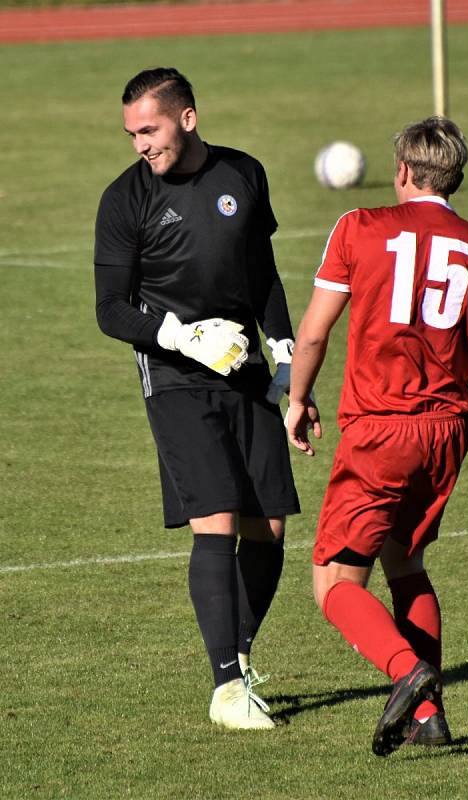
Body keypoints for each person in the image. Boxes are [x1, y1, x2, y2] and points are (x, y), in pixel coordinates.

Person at [287, 116, 468, 756]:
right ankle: (429, 718)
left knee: (335, 585)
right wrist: (455, 427)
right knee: (405, 562)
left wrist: (298, 398)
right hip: (447, 429)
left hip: (378, 430)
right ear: (455, 178)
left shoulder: (359, 228)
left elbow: (313, 334)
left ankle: (405, 673)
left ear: (404, 172)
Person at [94, 67, 311, 731]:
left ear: (187, 118)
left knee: (268, 525)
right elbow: (110, 309)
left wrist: (284, 354)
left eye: (150, 129)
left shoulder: (244, 174)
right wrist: (181, 335)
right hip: (177, 375)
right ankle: (224, 689)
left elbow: (261, 272)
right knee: (215, 516)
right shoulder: (124, 199)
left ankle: (238, 659)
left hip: (245, 367)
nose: (139, 144)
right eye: (131, 132)